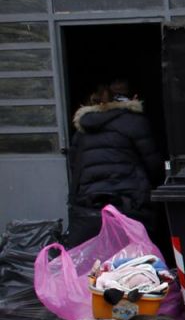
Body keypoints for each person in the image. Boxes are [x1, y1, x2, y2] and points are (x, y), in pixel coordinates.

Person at [64, 79, 165, 249]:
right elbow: (153, 164)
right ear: (132, 98)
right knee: (133, 260)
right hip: (130, 203)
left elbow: (75, 166)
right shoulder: (135, 122)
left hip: (90, 205)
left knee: (95, 264)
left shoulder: (83, 129)